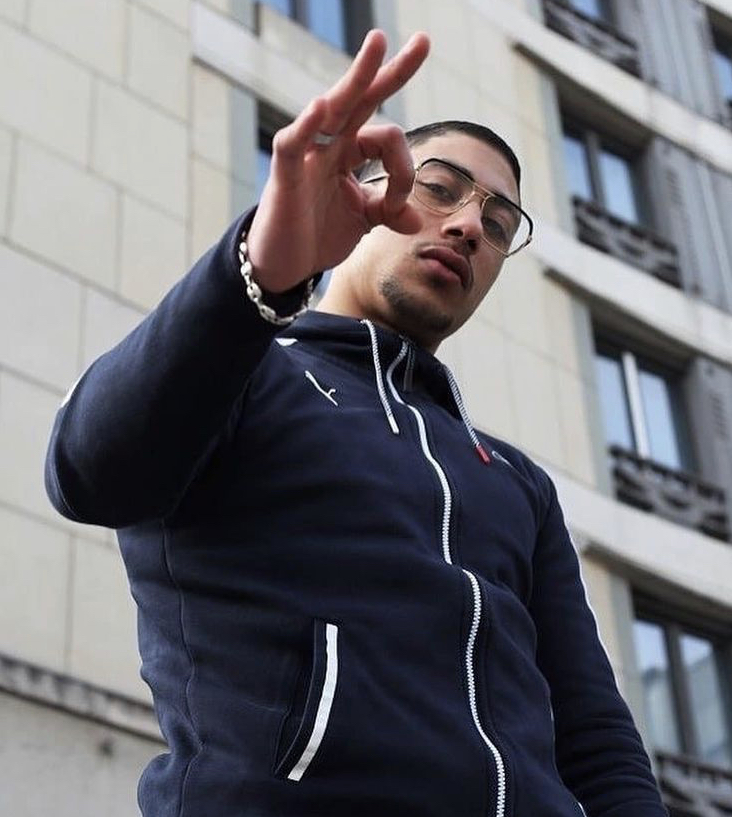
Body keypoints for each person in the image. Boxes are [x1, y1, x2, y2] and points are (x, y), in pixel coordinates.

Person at [45, 29, 668, 817]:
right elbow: (88, 471)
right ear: (361, 192)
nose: (469, 226)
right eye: (439, 188)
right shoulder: (238, 367)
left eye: (499, 223)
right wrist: (262, 272)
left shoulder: (517, 482)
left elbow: (595, 735)